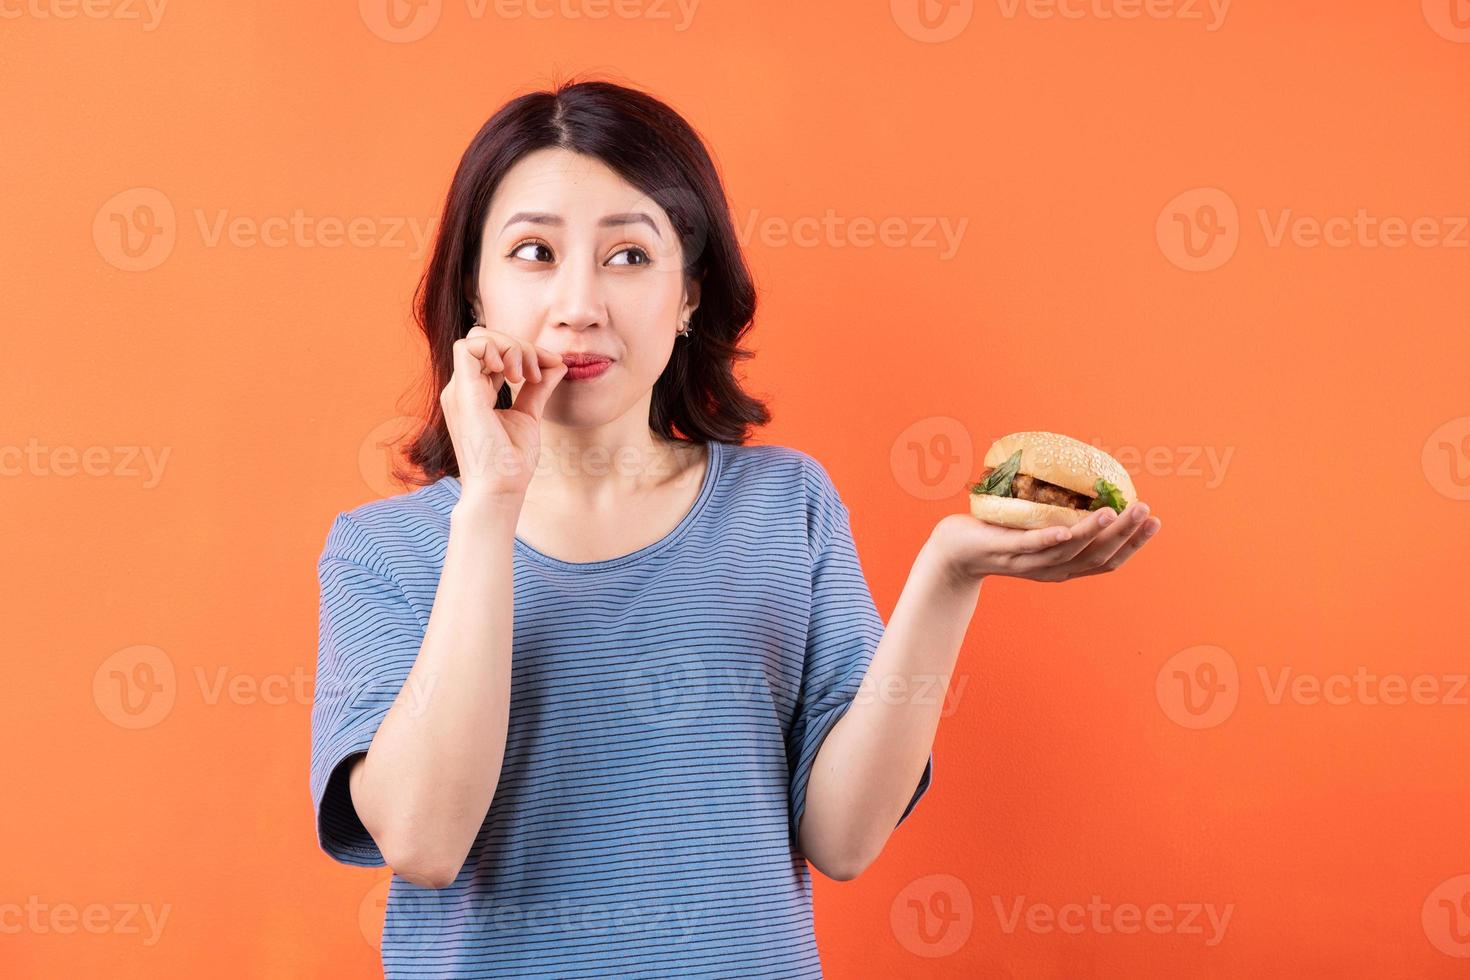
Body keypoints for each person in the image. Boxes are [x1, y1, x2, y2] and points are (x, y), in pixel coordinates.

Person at [309, 77, 1161, 979]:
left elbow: (843, 839)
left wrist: (948, 578)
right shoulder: (383, 550)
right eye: (533, 252)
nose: (580, 304)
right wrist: (489, 503)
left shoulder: (784, 504)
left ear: (688, 297)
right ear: (474, 295)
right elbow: (425, 841)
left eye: (630, 257)